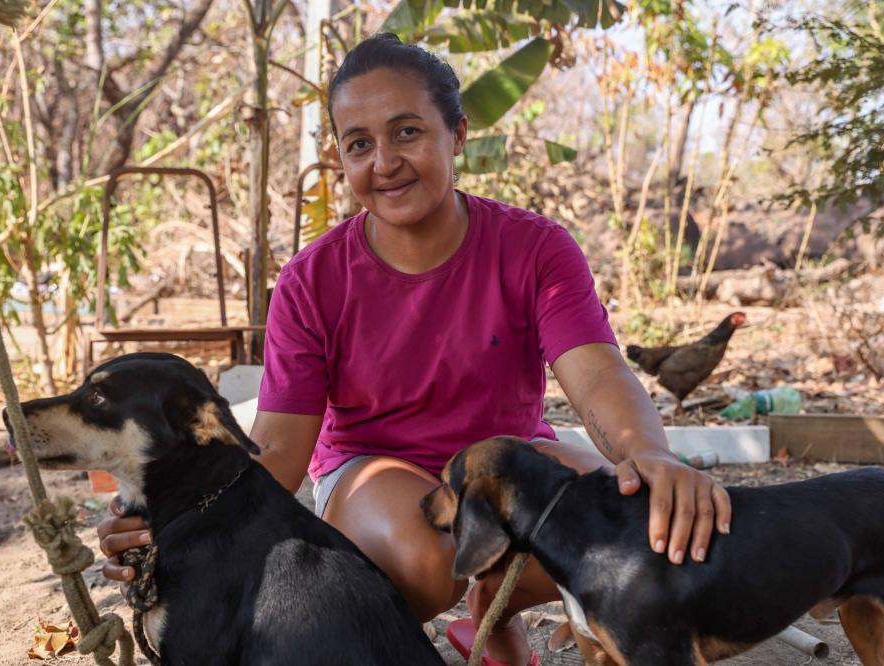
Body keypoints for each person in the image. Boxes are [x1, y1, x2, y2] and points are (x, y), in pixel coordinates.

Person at [98, 33, 732, 666]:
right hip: (370, 473)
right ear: (341, 157)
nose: (384, 162)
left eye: (407, 132)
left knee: (641, 523)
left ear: (456, 134)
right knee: (429, 559)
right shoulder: (310, 280)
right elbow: (282, 451)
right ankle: (395, 629)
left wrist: (649, 454)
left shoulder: (536, 248)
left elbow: (595, 374)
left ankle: (495, 610)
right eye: (359, 144)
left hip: (506, 462)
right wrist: (171, 522)